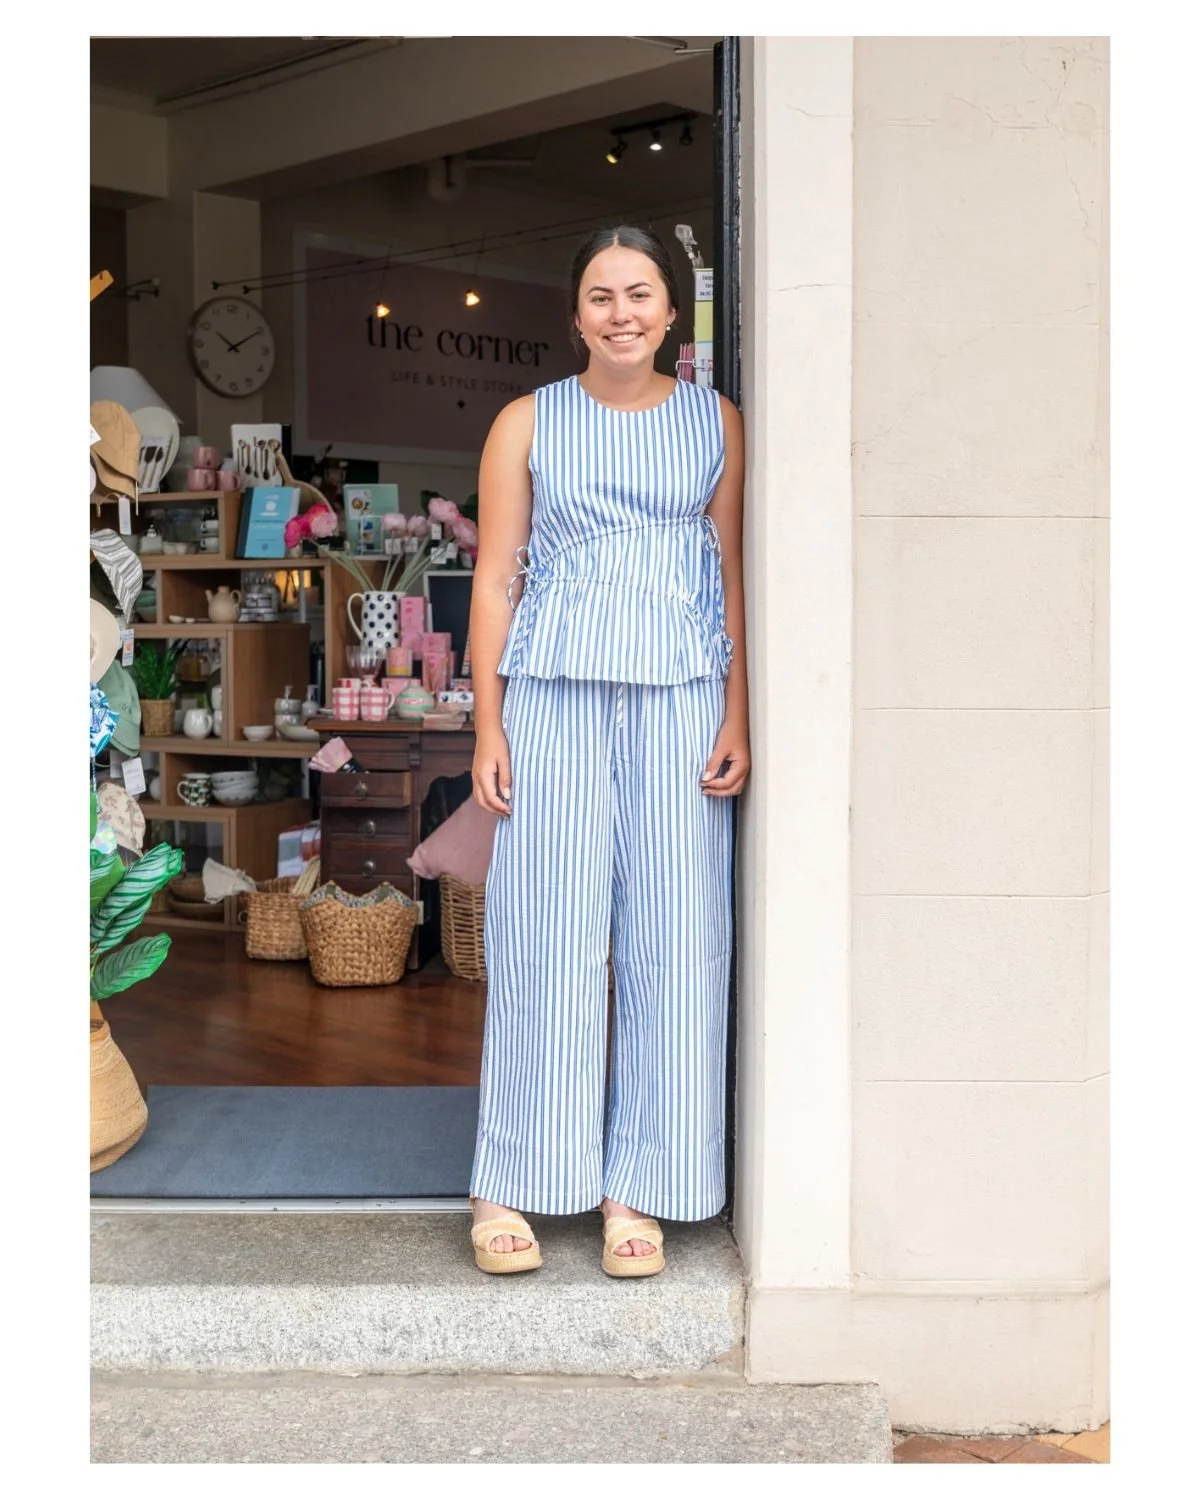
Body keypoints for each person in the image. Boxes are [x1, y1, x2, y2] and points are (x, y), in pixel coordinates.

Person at [466, 224, 750, 1278]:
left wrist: (739, 712)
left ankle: (646, 1183)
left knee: (677, 940)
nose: (621, 312)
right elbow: (496, 579)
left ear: (672, 313)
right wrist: (487, 723)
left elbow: (731, 574)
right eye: (600, 295)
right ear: (576, 314)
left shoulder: (716, 422)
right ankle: (513, 1178)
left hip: (682, 697)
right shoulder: (525, 423)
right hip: (554, 697)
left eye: (640, 293)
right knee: (546, 932)